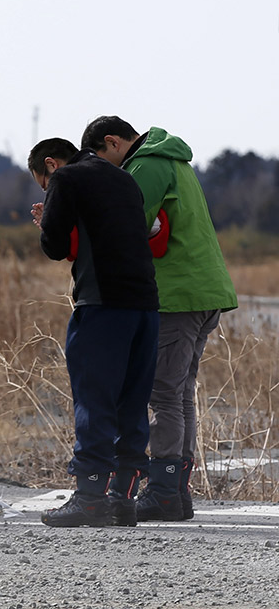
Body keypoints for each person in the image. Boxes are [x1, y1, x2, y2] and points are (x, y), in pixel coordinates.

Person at [81, 116, 238, 522]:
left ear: (113, 142)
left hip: (178, 294)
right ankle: (174, 491)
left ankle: (165, 489)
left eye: (103, 161)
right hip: (204, 291)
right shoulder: (173, 160)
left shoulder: (146, 165)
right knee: (181, 392)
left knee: (164, 394)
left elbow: (123, 221)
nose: (107, 174)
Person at [29, 138, 160, 527]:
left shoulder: (67, 179)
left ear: (50, 165)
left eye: (43, 183)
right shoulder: (123, 179)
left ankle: (89, 498)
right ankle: (123, 499)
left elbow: (54, 245)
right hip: (147, 305)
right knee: (132, 401)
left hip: (103, 304)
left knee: (94, 397)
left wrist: (46, 218)